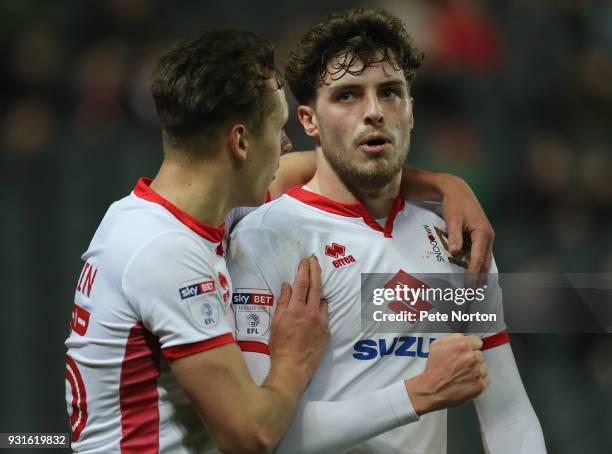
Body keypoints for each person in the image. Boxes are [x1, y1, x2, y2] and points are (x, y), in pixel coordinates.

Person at [65, 28, 497, 453]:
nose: (287, 143)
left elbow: (328, 165)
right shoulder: (166, 254)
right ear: (239, 142)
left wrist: (443, 185)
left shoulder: (164, 215)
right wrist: (295, 361)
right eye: (277, 128)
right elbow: (250, 437)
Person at [227, 9, 547, 454]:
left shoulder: (457, 240)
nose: (374, 112)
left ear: (411, 110)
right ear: (308, 121)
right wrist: (419, 393)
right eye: (347, 96)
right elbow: (254, 434)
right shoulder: (263, 238)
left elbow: (508, 414)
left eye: (391, 92)